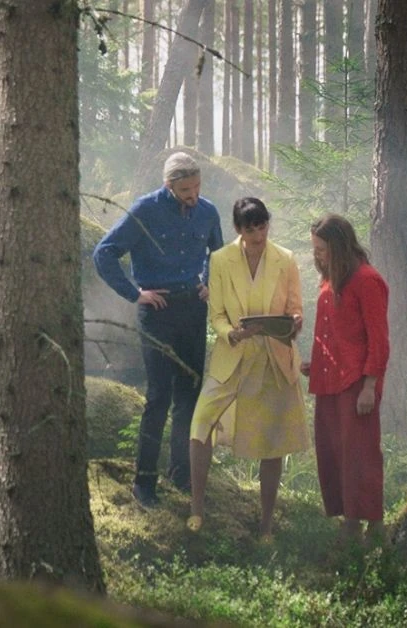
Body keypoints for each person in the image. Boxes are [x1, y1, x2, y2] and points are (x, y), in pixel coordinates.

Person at [93, 152, 224, 508]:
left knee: (189, 396)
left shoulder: (208, 211)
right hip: (157, 311)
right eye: (185, 189)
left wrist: (210, 283)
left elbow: (219, 253)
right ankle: (144, 484)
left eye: (197, 187)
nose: (193, 195)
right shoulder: (146, 210)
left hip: (193, 310)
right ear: (169, 186)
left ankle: (181, 476)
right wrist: (135, 293)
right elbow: (104, 253)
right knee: (158, 397)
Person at [186, 198, 310, 539]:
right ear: (239, 230)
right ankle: (197, 509)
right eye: (251, 228)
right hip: (233, 356)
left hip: (273, 357)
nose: (258, 235)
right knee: (200, 423)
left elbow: (295, 309)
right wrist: (233, 334)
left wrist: (294, 323)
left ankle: (266, 525)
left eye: (263, 226)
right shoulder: (221, 260)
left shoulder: (285, 260)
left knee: (272, 441)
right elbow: (217, 315)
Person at [301, 213, 390, 546]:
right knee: (333, 451)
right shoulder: (330, 279)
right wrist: (318, 362)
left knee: (360, 453)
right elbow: (335, 332)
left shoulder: (367, 280)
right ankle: (349, 520)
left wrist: (369, 386)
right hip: (329, 381)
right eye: (315, 249)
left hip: (356, 384)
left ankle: (373, 525)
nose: (317, 255)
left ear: (339, 246)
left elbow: (378, 339)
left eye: (322, 249)